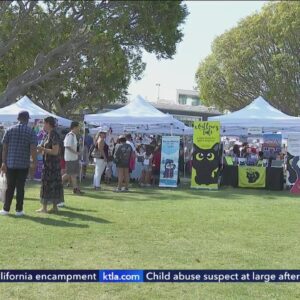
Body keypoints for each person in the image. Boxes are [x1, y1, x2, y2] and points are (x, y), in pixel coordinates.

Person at [0, 111, 37, 216]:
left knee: (10, 187)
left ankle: (6, 209)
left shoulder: (9, 130)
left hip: (10, 163)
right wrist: (34, 162)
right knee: (20, 187)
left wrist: (3, 162)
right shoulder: (30, 131)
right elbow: (33, 148)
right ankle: (19, 210)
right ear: (27, 119)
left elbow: (4, 148)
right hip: (23, 164)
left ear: (18, 118)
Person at [36, 117, 64, 213]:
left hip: (53, 166)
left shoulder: (54, 134)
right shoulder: (47, 135)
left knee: (50, 185)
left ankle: (46, 208)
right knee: (51, 184)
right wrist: (40, 150)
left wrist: (43, 149)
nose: (43, 125)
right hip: (48, 164)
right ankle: (52, 207)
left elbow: (55, 151)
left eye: (44, 123)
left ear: (48, 123)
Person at [62, 121, 83, 195]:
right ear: (74, 127)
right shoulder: (70, 135)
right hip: (70, 158)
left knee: (73, 174)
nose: (79, 129)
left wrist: (79, 146)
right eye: (78, 127)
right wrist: (76, 153)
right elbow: (67, 146)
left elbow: (72, 146)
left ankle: (75, 189)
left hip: (73, 158)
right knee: (69, 173)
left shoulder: (73, 135)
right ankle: (57, 185)